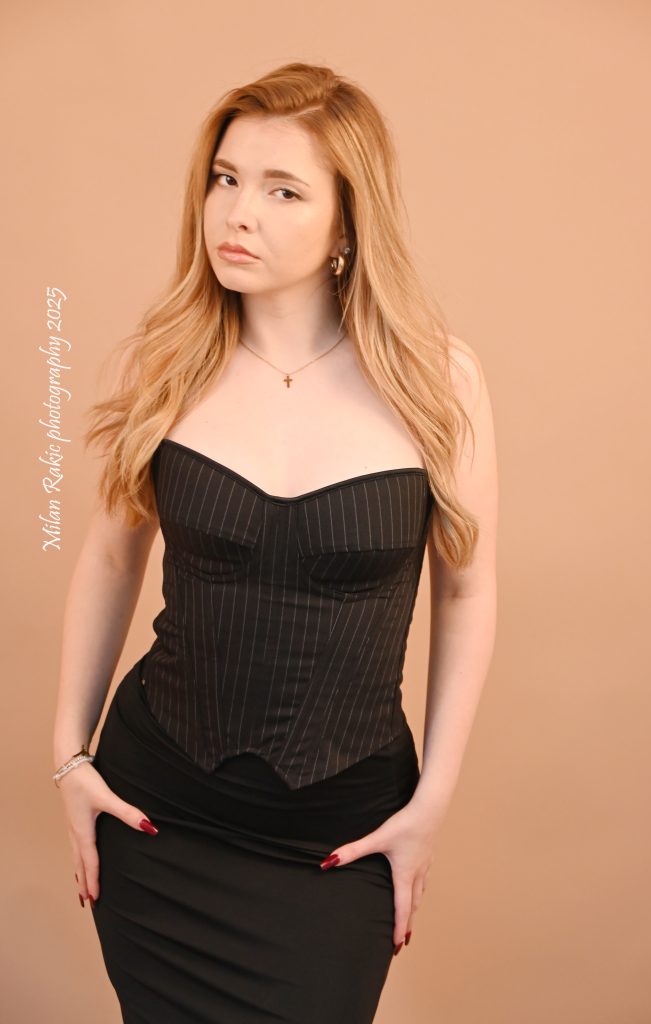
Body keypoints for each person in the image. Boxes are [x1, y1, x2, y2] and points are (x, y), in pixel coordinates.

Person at [52, 61, 498, 1024]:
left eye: (282, 190)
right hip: (159, 818)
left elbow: (467, 592)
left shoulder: (437, 378)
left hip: (336, 840)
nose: (237, 212)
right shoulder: (162, 361)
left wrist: (430, 808)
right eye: (225, 178)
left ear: (347, 223)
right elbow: (111, 557)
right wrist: (68, 757)